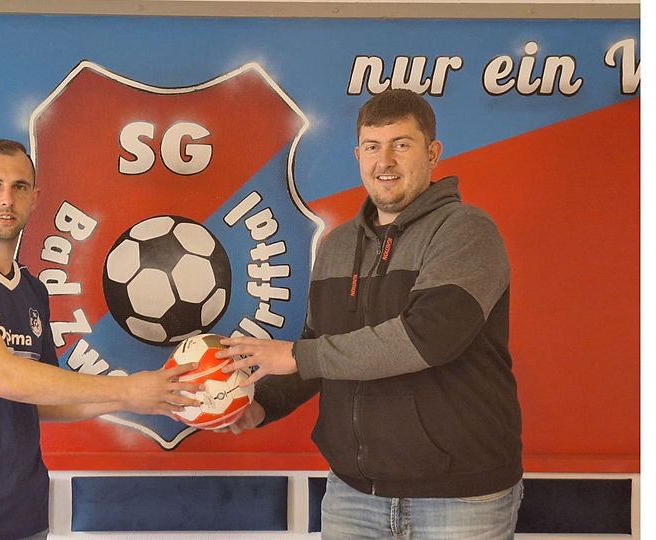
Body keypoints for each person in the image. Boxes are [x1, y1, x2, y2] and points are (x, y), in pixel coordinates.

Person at [217, 89, 524, 539]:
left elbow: (428, 339)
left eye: (402, 144)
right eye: (373, 146)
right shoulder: (338, 245)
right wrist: (261, 405)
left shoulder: (466, 231)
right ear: (358, 156)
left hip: (459, 498)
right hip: (353, 496)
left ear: (433, 153)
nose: (386, 161)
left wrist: (298, 355)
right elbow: (320, 350)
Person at [0, 139, 201, 540]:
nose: (7, 199)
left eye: (20, 187)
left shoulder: (33, 290)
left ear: (35, 199)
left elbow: (44, 399)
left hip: (25, 514)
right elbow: (4, 377)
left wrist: (139, 398)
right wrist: (128, 387)